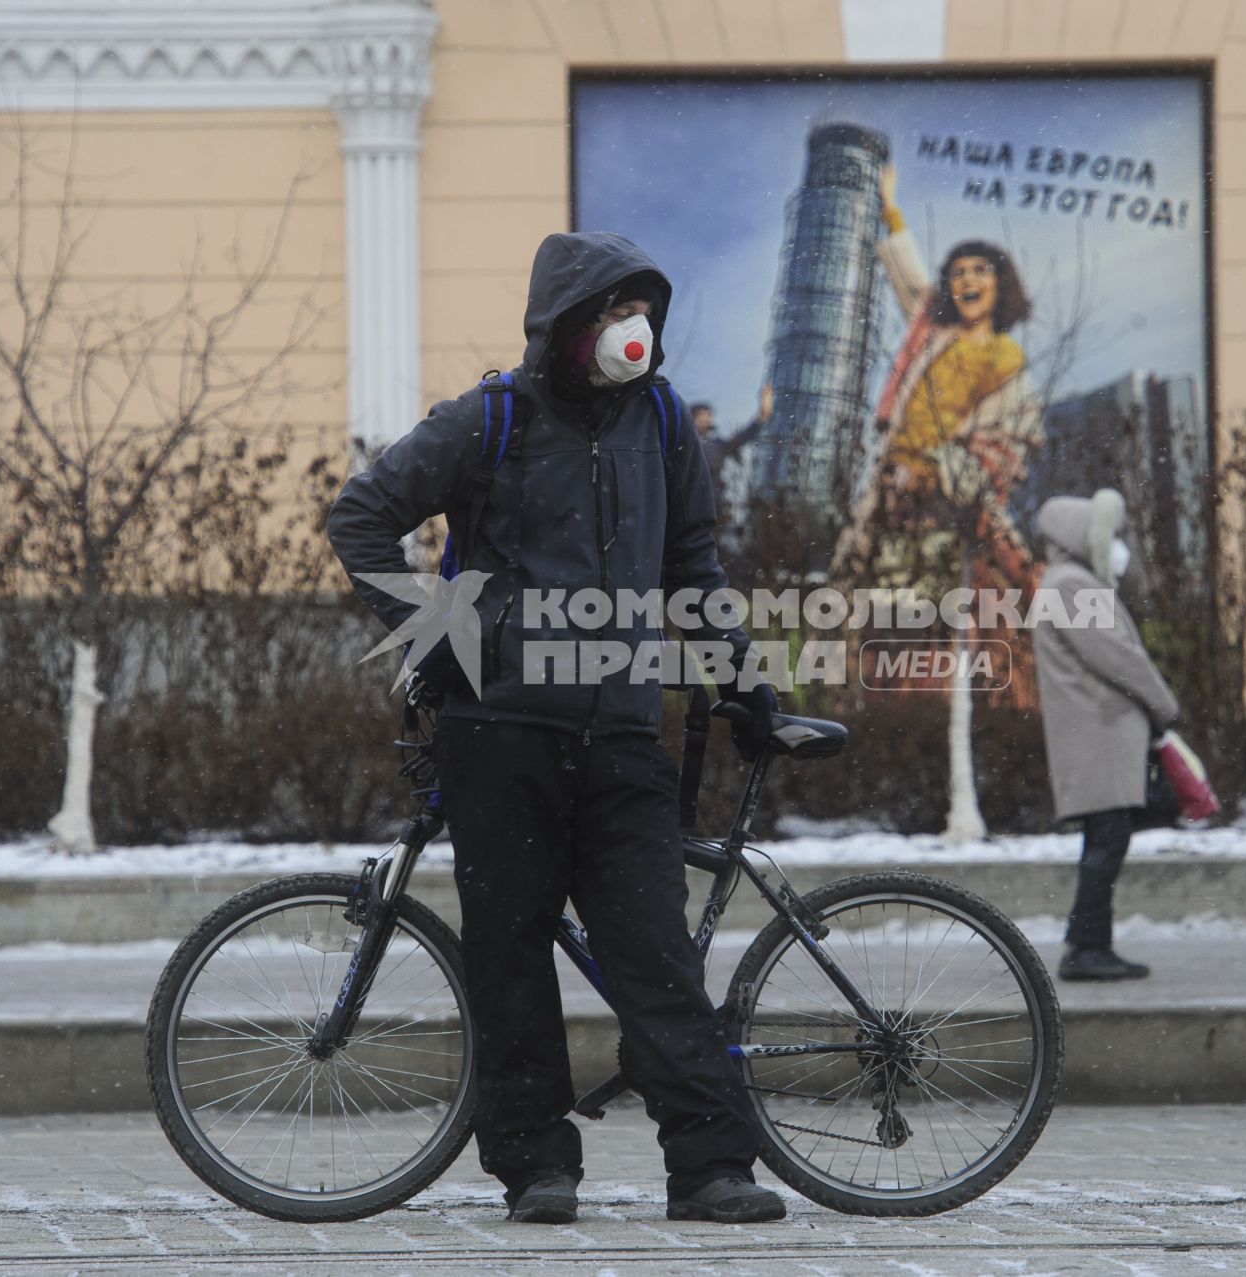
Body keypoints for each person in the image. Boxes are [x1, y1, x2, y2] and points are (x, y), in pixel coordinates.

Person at [326, 231, 787, 1224]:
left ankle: (710, 1165)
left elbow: (692, 568)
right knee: (510, 951)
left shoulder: (662, 420)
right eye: (613, 313)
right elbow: (361, 516)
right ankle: (538, 1164)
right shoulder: (488, 420)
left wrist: (742, 680)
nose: (633, 331)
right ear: (565, 326)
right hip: (501, 737)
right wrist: (438, 634)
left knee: (653, 952)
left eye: (642, 313)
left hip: (623, 736)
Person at [831, 163, 1041, 590]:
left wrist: (937, 473)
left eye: (981, 270)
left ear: (1001, 285)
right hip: (891, 485)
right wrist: (890, 207)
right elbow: (909, 278)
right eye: (959, 271)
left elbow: (1011, 441)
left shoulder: (1007, 360)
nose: (968, 278)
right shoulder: (933, 334)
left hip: (949, 502)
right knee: (862, 595)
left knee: (941, 609)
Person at [1031, 488, 1179, 981]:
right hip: (1101, 734)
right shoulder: (1073, 585)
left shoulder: (1064, 582)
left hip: (1095, 734)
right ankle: (1086, 948)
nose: (1117, 545)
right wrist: (1164, 705)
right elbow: (1118, 658)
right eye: (1109, 535)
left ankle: (1090, 943)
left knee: (1106, 840)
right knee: (1107, 842)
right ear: (1084, 536)